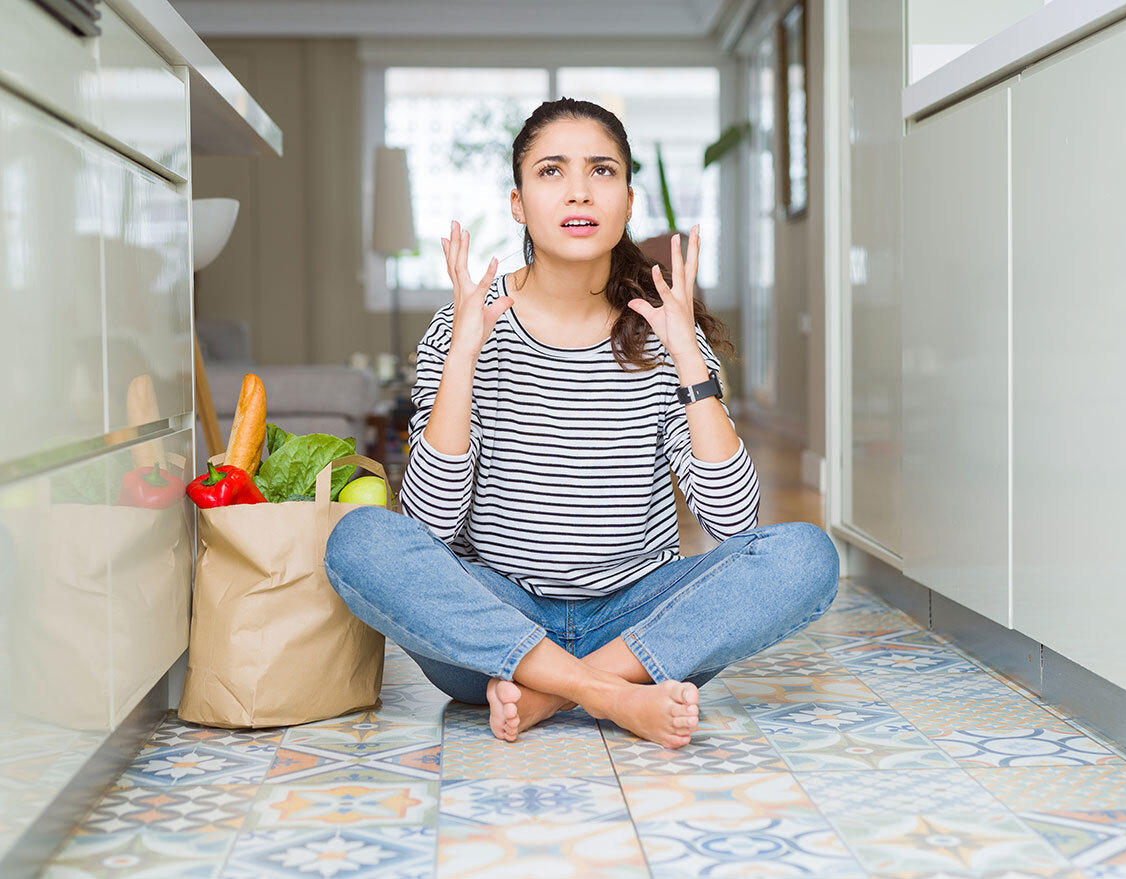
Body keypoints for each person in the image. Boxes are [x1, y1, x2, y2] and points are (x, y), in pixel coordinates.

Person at [324, 97, 840, 750]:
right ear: (517, 202)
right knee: (360, 541)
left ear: (627, 199)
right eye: (550, 171)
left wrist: (687, 357)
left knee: (807, 556)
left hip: (638, 625)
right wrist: (462, 358)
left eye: (601, 171)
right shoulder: (464, 326)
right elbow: (429, 528)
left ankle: (556, 689)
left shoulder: (664, 329)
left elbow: (734, 523)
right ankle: (609, 696)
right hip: (496, 626)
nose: (578, 190)